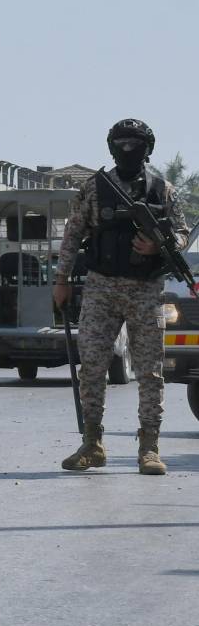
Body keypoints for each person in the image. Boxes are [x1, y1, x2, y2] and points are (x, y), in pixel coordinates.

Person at [54, 119, 189, 475]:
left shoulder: (164, 190)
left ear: (148, 148)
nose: (128, 149)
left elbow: (181, 233)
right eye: (122, 142)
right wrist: (61, 278)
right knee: (92, 367)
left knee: (150, 373)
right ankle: (92, 443)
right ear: (112, 147)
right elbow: (73, 234)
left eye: (136, 143)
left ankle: (149, 448)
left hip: (145, 290)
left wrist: (160, 245)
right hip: (101, 287)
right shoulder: (95, 189)